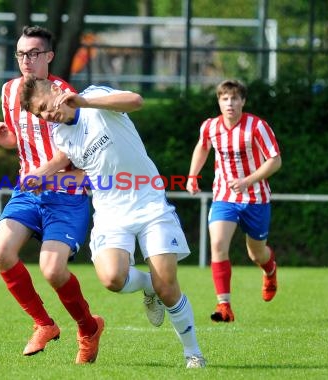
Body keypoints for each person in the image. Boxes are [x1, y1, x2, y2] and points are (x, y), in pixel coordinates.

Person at [20, 77, 206, 369]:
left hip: (149, 202)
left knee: (168, 287)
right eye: (39, 114)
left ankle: (193, 354)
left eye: (45, 106)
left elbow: (136, 101)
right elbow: (76, 164)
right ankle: (149, 286)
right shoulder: (61, 135)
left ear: (57, 91)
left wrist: (83, 102)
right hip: (110, 211)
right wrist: (44, 174)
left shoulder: (95, 96)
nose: (47, 115)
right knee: (111, 279)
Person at [0, 25, 103, 364]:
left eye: (34, 53)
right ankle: (44, 324)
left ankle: (88, 328)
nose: (27, 59)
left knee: (52, 270)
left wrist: (45, 172)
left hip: (66, 193)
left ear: (49, 56)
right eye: (21, 53)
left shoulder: (63, 93)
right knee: (1, 251)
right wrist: (3, 139)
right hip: (29, 190)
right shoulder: (9, 90)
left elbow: (72, 150)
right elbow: (21, 140)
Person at [185, 79, 282, 323]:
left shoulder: (257, 126)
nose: (230, 103)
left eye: (235, 98)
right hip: (224, 197)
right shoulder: (210, 126)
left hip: (256, 197)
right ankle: (224, 305)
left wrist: (248, 181)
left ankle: (269, 270)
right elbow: (202, 147)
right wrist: (192, 176)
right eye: (225, 98)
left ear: (243, 101)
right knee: (217, 244)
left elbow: (275, 160)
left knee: (256, 253)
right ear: (219, 101)